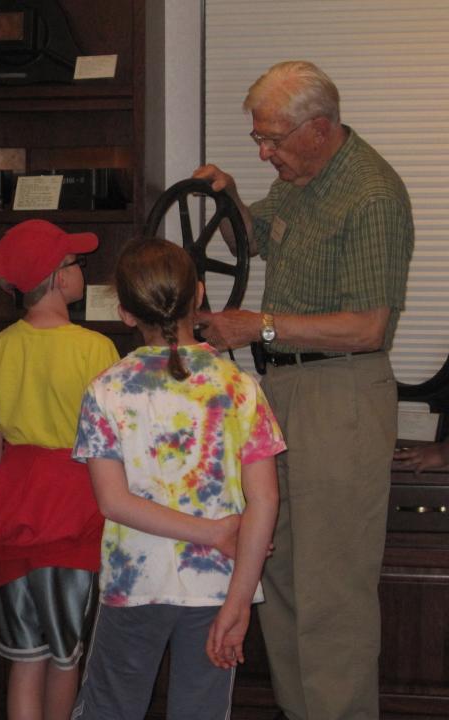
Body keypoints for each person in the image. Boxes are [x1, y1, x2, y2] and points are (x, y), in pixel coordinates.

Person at [193, 60, 414, 720]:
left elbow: (369, 324)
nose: (265, 152)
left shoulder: (371, 195)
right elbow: (250, 236)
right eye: (260, 138)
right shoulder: (300, 179)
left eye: (273, 139)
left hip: (339, 396)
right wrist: (229, 198)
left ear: (319, 128)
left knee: (331, 595)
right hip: (281, 391)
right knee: (281, 577)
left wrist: (257, 324)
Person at [70, 238, 283, 720]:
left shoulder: (107, 389)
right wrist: (241, 602)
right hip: (218, 587)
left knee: (110, 710)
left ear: (125, 313)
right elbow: (265, 501)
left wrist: (215, 534)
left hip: (134, 582)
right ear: (200, 294)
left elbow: (114, 503)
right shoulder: (241, 387)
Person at [0, 219, 119, 720]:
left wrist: (10, 494)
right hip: (73, 507)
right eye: (77, 264)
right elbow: (107, 440)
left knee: (24, 657)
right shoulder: (94, 348)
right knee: (64, 657)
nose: (83, 270)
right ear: (59, 278)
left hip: (14, 505)